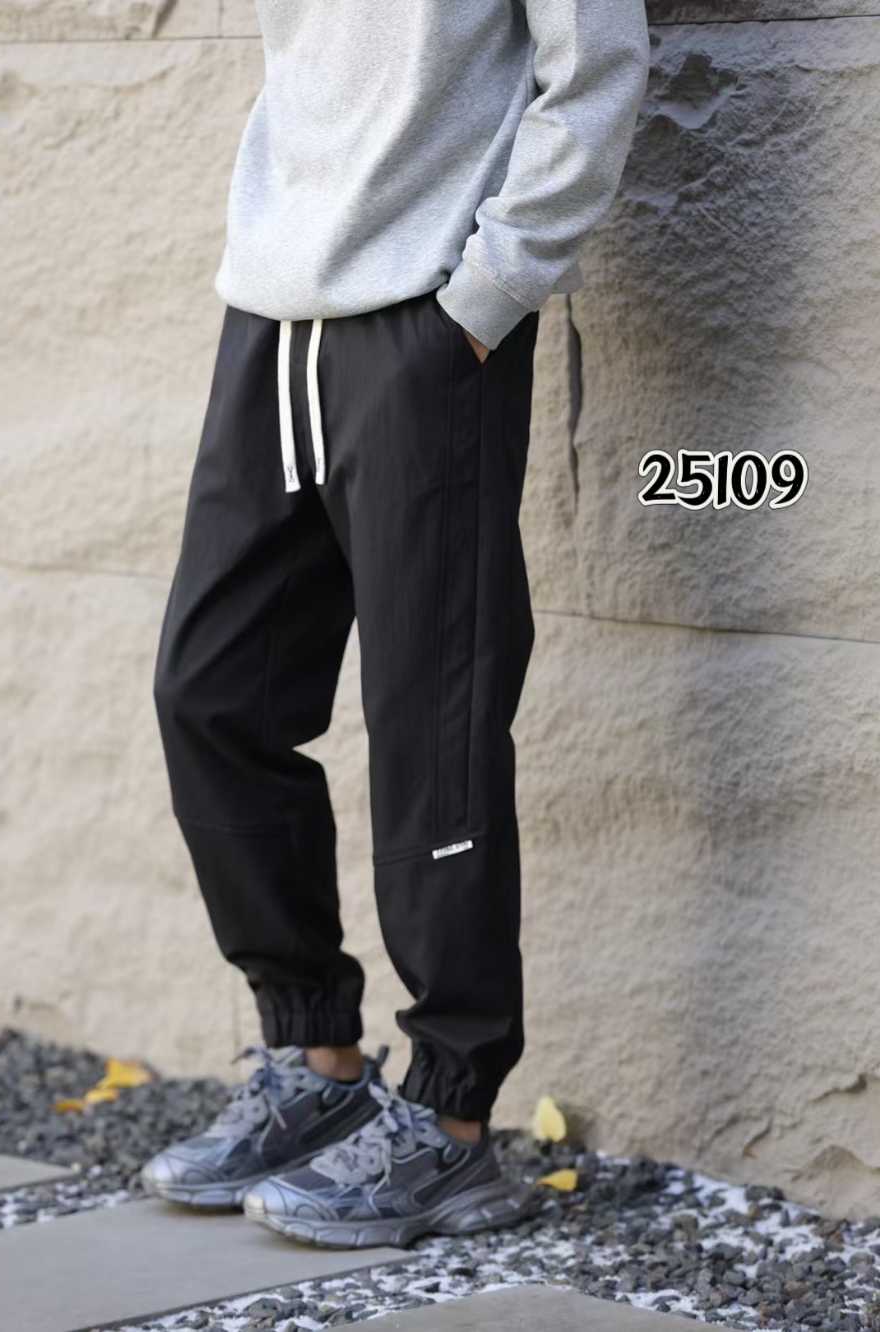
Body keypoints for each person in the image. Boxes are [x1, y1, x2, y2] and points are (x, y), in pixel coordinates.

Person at [143, 0, 650, 1248]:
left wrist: (487, 294)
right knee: (211, 696)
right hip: (272, 317)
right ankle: (313, 1057)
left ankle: (451, 1123)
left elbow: (595, 66)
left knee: (436, 723)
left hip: (429, 318)